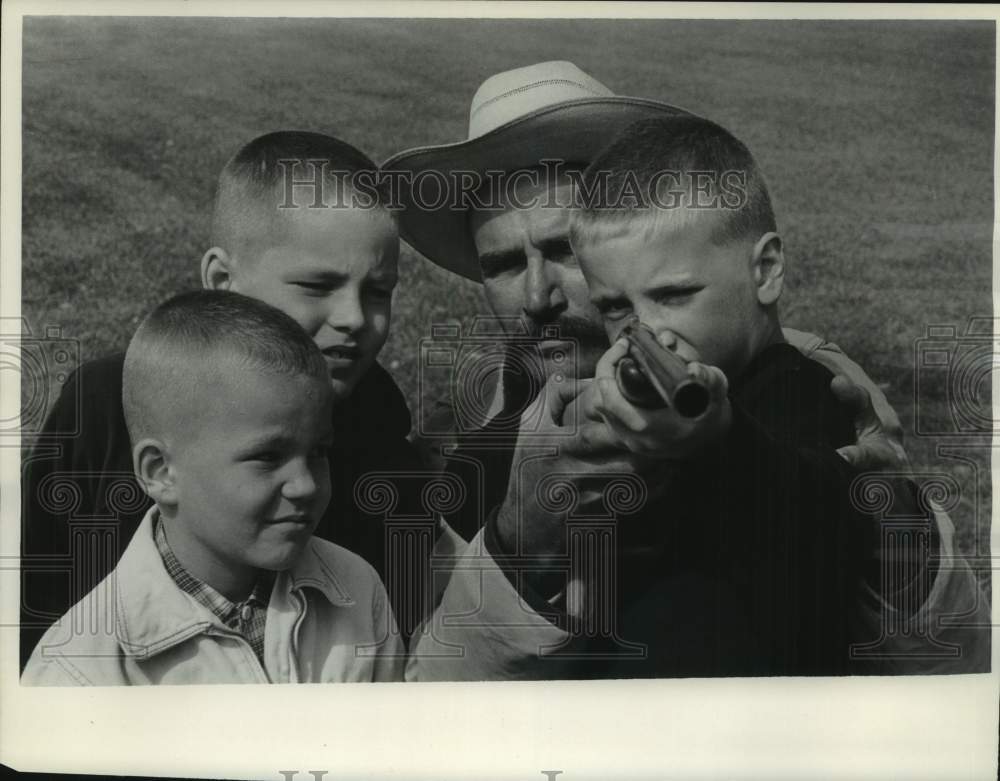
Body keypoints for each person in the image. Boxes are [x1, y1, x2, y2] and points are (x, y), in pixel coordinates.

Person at [387, 62, 989, 679]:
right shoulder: (473, 437)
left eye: (564, 251)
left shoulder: (812, 387)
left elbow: (955, 669)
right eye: (504, 265)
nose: (538, 296)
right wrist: (516, 540)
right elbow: (427, 692)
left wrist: (899, 545)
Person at [20, 131, 445, 671]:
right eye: (317, 285)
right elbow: (30, 607)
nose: (356, 318)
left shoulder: (382, 440)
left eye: (378, 290)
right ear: (223, 280)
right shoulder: (103, 407)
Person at [22, 291, 404, 685]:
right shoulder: (79, 670)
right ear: (160, 471)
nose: (306, 484)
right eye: (268, 457)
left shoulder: (356, 588)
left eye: (319, 451)